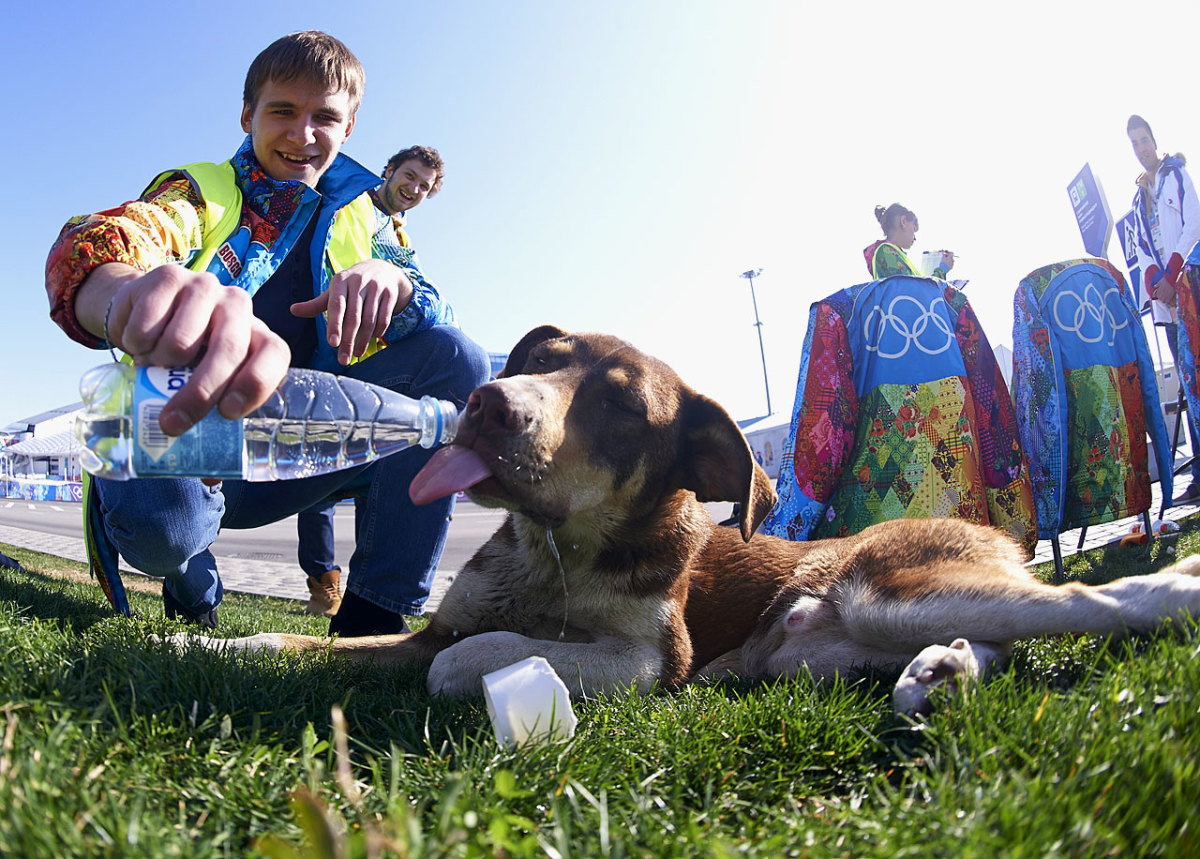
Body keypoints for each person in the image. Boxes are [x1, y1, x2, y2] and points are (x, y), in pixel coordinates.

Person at [45, 31, 490, 636]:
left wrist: (397, 280)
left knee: (457, 357)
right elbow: (111, 237)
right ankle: (189, 576)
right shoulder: (203, 193)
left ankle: (372, 624)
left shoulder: (369, 221)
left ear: (349, 128)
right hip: (179, 441)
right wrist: (124, 292)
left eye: (324, 117)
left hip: (295, 451)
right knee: (165, 533)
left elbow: (438, 309)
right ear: (248, 114)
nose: (302, 135)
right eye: (283, 111)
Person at [296, 144, 448, 617]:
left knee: (383, 465)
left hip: (367, 362)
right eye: (409, 175)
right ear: (389, 170)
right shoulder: (343, 196)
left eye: (425, 186)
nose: (414, 188)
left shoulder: (400, 240)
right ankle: (324, 580)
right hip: (315, 347)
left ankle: (372, 599)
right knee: (314, 482)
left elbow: (434, 307)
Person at [1127, 114, 1200, 502]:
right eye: (1134, 144)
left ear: (1155, 140)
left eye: (1144, 140)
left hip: (1190, 289)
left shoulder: (1177, 176)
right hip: (1166, 303)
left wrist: (1173, 275)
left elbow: (1193, 227)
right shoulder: (1139, 200)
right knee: (1187, 384)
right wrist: (1157, 284)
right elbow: (1140, 248)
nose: (1141, 149)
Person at [863, 203, 955, 279]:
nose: (914, 238)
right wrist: (943, 269)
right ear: (903, 221)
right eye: (913, 230)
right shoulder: (886, 251)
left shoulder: (891, 254)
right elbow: (917, 293)